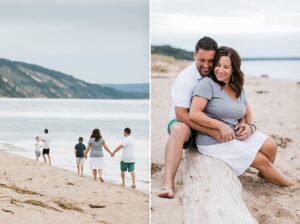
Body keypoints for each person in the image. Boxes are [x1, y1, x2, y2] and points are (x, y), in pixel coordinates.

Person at [189, 46, 294, 187]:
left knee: (271, 146)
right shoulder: (207, 84)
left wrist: (250, 127)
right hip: (213, 140)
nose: (220, 70)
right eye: (218, 65)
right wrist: (220, 125)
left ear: (234, 69)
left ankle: (264, 174)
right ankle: (292, 186)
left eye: (226, 67)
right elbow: (194, 113)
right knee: (262, 161)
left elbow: (248, 113)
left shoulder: (236, 86)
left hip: (237, 134)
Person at [159, 36, 226, 198]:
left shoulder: (218, 73)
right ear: (194, 55)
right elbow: (181, 114)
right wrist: (211, 131)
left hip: (208, 121)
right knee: (178, 129)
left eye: (210, 60)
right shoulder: (185, 78)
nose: (206, 65)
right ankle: (168, 184)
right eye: (202, 60)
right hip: (185, 122)